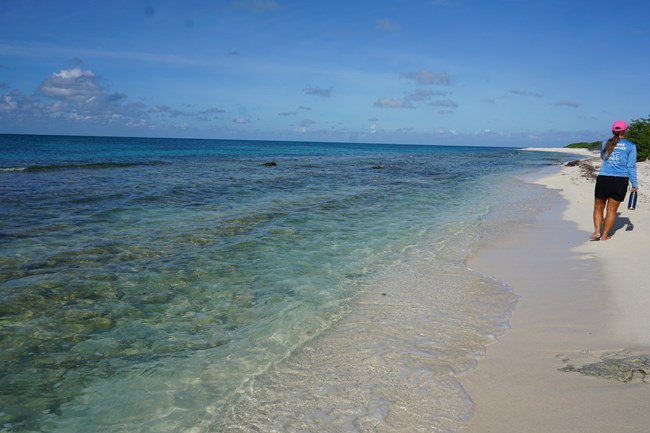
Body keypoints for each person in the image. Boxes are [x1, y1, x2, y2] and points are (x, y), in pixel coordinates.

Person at [591, 120, 639, 241]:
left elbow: (603, 158)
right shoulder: (631, 146)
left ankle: (597, 232)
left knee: (598, 206)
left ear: (613, 131)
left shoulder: (605, 143)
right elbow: (631, 166)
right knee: (612, 210)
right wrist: (634, 183)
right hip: (620, 181)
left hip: (604, 179)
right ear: (625, 130)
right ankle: (605, 235)